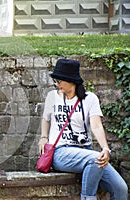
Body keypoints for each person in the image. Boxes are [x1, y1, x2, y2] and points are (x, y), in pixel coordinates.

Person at [38, 59, 128, 200]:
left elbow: (96, 125)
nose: (56, 84)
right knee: (94, 158)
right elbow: (46, 118)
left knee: (120, 188)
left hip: (86, 151)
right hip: (60, 152)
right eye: (55, 80)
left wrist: (105, 149)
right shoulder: (52, 97)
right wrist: (43, 137)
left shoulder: (90, 99)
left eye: (60, 81)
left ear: (71, 81)